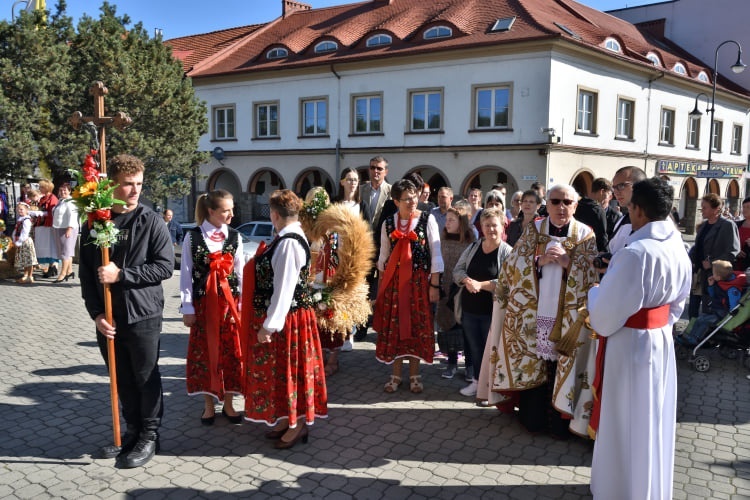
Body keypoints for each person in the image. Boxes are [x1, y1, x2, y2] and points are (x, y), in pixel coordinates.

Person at [588, 177, 691, 500]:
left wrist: (593, 293)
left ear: (639, 210)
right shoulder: (677, 245)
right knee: (653, 418)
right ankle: (649, 487)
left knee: (625, 418)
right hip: (659, 341)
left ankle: (620, 490)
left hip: (629, 345)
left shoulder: (635, 254)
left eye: (630, 207)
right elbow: (679, 305)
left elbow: (604, 315)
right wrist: (658, 324)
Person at [477, 184, 599, 438]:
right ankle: (533, 417)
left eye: (567, 202)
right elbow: (512, 265)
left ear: (575, 206)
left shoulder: (585, 235)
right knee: (535, 362)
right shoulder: (534, 229)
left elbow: (591, 277)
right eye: (555, 201)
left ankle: (560, 423)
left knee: (561, 366)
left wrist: (568, 263)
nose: (561, 207)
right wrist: (538, 261)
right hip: (533, 313)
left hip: (568, 318)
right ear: (548, 204)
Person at [79, 154, 174, 468]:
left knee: (145, 376)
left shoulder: (152, 221)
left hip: (143, 314)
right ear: (112, 185)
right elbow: (87, 275)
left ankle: (149, 435)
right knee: (120, 379)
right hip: (109, 317)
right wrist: (97, 315)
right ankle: (130, 431)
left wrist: (123, 275)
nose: (135, 191)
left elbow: (163, 267)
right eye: (128, 185)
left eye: (139, 184)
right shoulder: (96, 221)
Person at [241, 189, 327, 449]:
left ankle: (298, 424)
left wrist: (270, 325)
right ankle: (285, 418)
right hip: (288, 318)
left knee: (292, 371)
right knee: (281, 372)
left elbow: (285, 289)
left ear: (275, 215)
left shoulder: (289, 241)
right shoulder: (287, 237)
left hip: (290, 319)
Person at [180, 190, 244, 427]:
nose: (231, 214)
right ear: (211, 211)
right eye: (226, 210)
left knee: (230, 354)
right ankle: (208, 405)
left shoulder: (235, 237)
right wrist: (188, 307)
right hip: (203, 305)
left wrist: (241, 307)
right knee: (205, 354)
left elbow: (240, 274)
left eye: (232, 209)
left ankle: (228, 403)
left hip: (229, 307)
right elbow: (186, 274)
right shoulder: (193, 237)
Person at [374, 179, 443, 394]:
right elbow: (382, 259)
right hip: (395, 285)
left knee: (415, 329)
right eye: (407, 198)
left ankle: (414, 375)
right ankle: (395, 375)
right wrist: (382, 291)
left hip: (419, 285)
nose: (412, 201)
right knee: (394, 328)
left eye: (414, 196)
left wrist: (434, 285)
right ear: (396, 201)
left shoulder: (427, 219)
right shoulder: (388, 223)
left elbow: (436, 255)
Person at [453, 208, 512, 397]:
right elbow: (458, 270)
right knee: (475, 348)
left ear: (502, 226)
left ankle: (492, 389)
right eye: (486, 226)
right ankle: (478, 383)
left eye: (494, 225)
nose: (490, 229)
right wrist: (467, 281)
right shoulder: (473, 247)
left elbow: (508, 282)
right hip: (470, 309)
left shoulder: (507, 252)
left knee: (492, 350)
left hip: (492, 311)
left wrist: (482, 284)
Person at [435, 207, 475, 379]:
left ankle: (470, 366)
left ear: (461, 223)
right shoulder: (440, 242)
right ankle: (451, 364)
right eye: (447, 219)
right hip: (444, 291)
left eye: (452, 219)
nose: (447, 222)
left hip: (462, 291)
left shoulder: (470, 243)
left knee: (466, 330)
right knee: (448, 327)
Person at [688, 193, 740, 322]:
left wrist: (712, 263)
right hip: (698, 273)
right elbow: (697, 247)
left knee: (709, 310)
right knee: (693, 308)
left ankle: (704, 339)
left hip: (715, 276)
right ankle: (690, 336)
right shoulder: (704, 225)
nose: (702, 210)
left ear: (716, 209)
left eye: (705, 207)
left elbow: (733, 250)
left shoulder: (727, 225)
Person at [359, 156, 391, 340]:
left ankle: (382, 326)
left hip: (384, 247)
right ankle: (362, 325)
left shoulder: (391, 192)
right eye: (373, 168)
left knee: (383, 289)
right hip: (364, 247)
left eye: (379, 168)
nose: (376, 171)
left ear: (386, 171)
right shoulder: (361, 190)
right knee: (364, 287)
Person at [677, 260, 745, 347]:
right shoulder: (722, 282)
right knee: (699, 319)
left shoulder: (732, 289)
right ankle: (688, 336)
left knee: (705, 322)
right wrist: (711, 285)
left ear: (719, 276)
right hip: (716, 309)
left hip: (723, 313)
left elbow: (733, 305)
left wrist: (730, 314)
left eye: (713, 273)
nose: (712, 274)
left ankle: (695, 339)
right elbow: (714, 296)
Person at [335, 167, 363, 351]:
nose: (352, 182)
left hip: (356, 256)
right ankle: (339, 333)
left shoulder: (362, 205)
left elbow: (367, 232)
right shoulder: (335, 204)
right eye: (349, 179)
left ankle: (349, 334)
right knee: (338, 297)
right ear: (342, 182)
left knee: (352, 297)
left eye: (355, 179)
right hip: (336, 256)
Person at [608, 166, 647, 254]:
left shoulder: (653, 221)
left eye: (621, 186)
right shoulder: (622, 220)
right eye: (614, 188)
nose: (616, 192)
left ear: (640, 186)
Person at [51, 183, 79, 283]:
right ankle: (69, 271)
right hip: (60, 227)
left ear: (69, 191)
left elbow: (72, 215)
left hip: (67, 228)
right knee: (67, 252)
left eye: (65, 190)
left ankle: (62, 274)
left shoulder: (70, 202)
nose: (63, 192)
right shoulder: (61, 201)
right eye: (61, 190)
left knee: (65, 253)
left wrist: (69, 228)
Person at [33, 179, 59, 278]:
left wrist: (42, 213)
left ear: (47, 187)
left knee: (50, 246)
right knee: (45, 247)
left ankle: (53, 267)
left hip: (49, 225)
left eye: (41, 187)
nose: (39, 189)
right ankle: (52, 267)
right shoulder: (43, 198)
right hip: (42, 225)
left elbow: (53, 212)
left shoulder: (52, 198)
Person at [574, 182, 608, 252]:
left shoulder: (575, 206)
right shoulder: (598, 210)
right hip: (591, 250)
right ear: (602, 192)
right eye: (608, 194)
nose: (608, 197)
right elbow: (602, 236)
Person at [13, 202, 37, 284]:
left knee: (29, 259)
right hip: (22, 241)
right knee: (24, 259)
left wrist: (19, 242)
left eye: (21, 209)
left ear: (26, 210)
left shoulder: (26, 220)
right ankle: (25, 275)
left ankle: (30, 276)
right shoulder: (21, 219)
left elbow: (25, 232)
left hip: (25, 241)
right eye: (18, 209)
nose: (19, 211)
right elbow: (16, 231)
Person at [734, 197, 750, 272]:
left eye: (748, 207)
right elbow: (728, 243)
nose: (745, 209)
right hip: (734, 266)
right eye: (743, 207)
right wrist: (735, 250)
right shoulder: (736, 225)